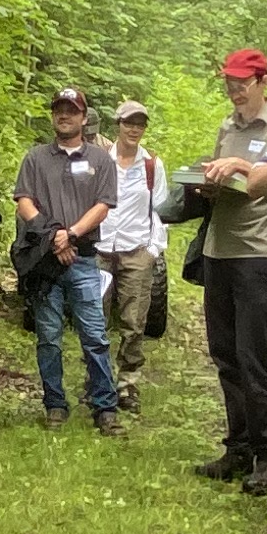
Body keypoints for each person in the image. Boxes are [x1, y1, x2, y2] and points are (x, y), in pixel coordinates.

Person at [181, 48, 267, 494]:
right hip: (219, 248)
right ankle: (239, 447)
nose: (233, 91)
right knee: (224, 353)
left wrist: (243, 168)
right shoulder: (227, 126)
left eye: (241, 83)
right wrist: (207, 184)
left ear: (263, 82)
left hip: (259, 251)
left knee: (254, 357)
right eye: (229, 83)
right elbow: (224, 180)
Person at [12, 86, 123, 431]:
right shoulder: (35, 158)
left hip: (84, 258)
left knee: (95, 334)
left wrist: (71, 234)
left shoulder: (101, 159)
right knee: (48, 335)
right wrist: (52, 236)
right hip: (45, 260)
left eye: (72, 110)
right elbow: (24, 201)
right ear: (53, 115)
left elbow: (103, 206)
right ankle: (54, 404)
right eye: (59, 109)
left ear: (84, 117)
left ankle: (105, 407)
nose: (65, 115)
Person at [97, 98, 170, 405]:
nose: (134, 129)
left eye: (140, 124)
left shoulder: (152, 165)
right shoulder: (100, 160)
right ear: (118, 125)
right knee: (95, 319)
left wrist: (153, 249)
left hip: (136, 250)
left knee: (134, 321)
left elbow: (161, 210)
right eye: (129, 123)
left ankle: (127, 383)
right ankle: (97, 380)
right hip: (100, 248)